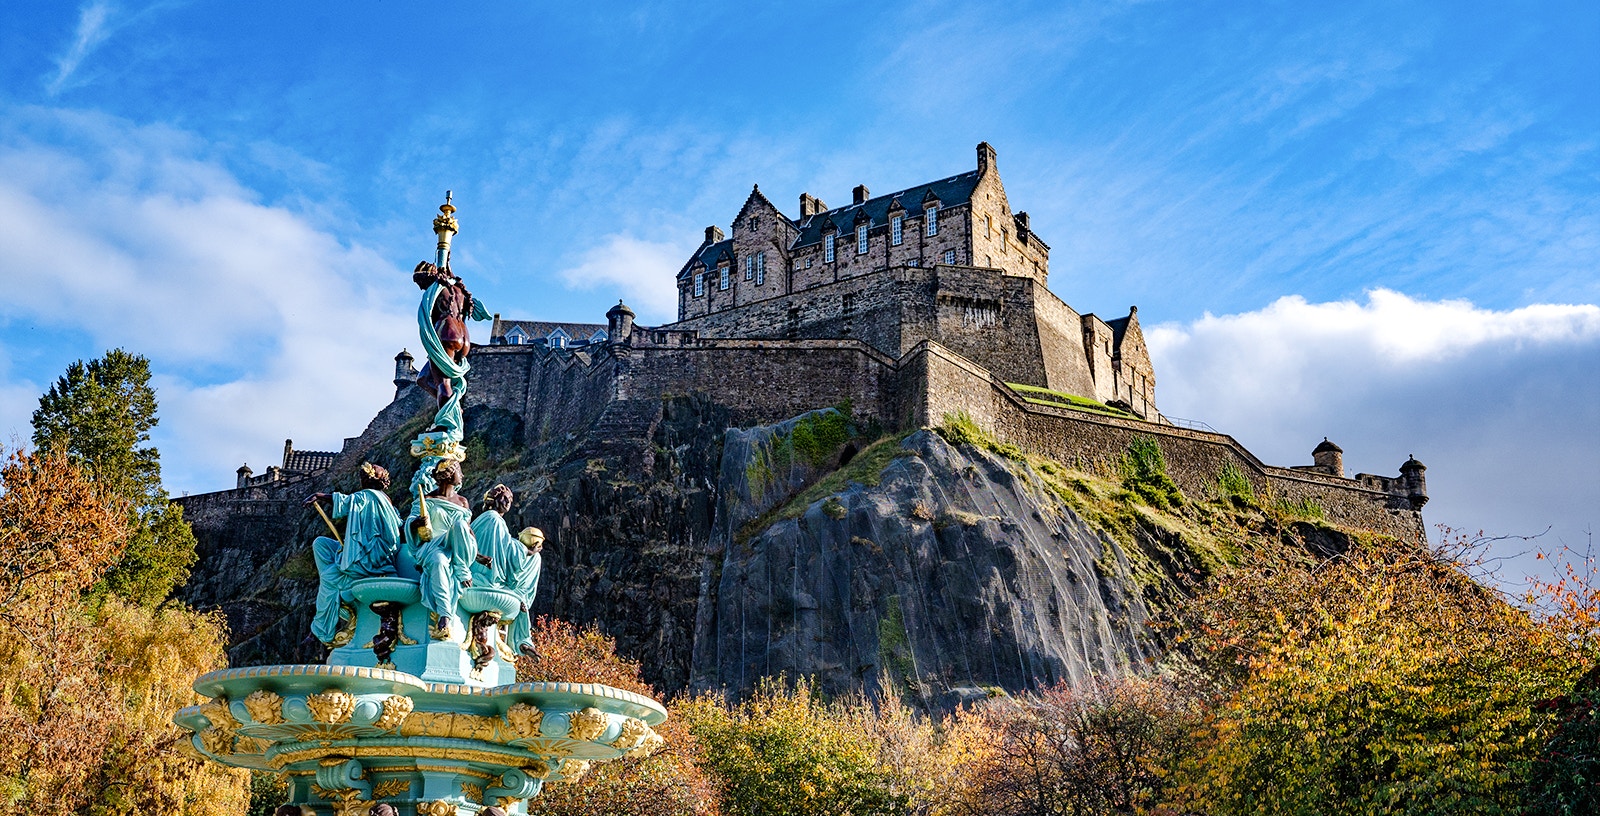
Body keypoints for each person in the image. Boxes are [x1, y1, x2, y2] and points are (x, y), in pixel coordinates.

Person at [303, 463, 402, 648]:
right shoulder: (385, 500)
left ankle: (321, 630)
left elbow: (345, 502)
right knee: (321, 544)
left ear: (370, 480)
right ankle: (337, 588)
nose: (361, 478)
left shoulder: (368, 496)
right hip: (369, 553)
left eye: (364, 476)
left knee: (328, 577)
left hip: (370, 561)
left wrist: (319, 496)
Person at [469, 485, 544, 657]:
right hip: (484, 575)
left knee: (535, 560)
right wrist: (527, 551)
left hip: (491, 577)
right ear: (493, 500)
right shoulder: (491, 518)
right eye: (503, 498)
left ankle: (522, 642)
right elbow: (505, 547)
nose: (507, 502)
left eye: (510, 499)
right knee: (531, 557)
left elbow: (507, 546)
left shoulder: (497, 522)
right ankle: (520, 641)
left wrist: (530, 553)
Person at [406, 459, 478, 639]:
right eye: (459, 472)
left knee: (460, 525)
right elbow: (409, 523)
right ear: (449, 475)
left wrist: (480, 556)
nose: (462, 476)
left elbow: (469, 532)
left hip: (458, 548)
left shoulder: (462, 502)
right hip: (433, 547)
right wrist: (416, 523)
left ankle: (461, 568)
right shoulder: (428, 500)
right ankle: (445, 614)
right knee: (438, 561)